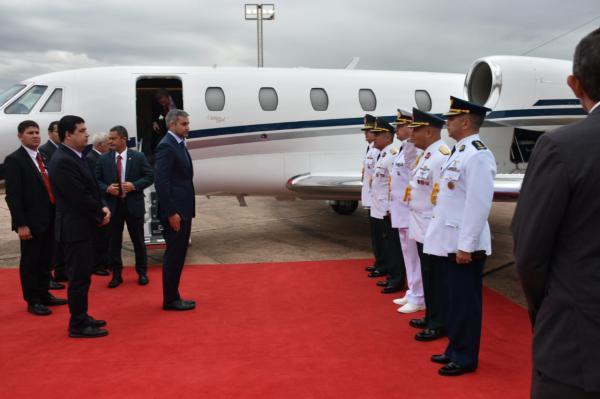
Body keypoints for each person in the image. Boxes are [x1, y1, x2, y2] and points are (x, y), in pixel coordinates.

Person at [512, 27, 600, 397]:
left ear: (574, 84)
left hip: (580, 349)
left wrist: (546, 311)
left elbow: (530, 253)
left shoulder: (563, 148)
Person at [425, 97, 495, 376]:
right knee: (453, 299)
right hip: (448, 242)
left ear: (465, 122)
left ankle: (466, 357)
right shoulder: (459, 151)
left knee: (465, 303)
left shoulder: (477, 154)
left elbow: (478, 205)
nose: (447, 123)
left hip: (465, 246)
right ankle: (454, 348)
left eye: (452, 119)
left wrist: (466, 246)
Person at [48, 115, 111, 338]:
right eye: (82, 130)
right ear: (68, 134)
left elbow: (92, 188)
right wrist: (100, 212)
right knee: (78, 278)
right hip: (75, 229)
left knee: (83, 276)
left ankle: (82, 316)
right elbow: (78, 197)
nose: (87, 134)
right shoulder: (63, 160)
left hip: (83, 226)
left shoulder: (76, 156)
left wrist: (101, 206)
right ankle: (77, 323)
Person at [4, 120, 67, 316]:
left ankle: (44, 293)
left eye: (37, 132)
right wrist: (21, 224)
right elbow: (13, 195)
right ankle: (33, 300)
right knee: (31, 262)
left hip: (49, 218)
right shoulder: (14, 160)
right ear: (20, 136)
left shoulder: (43, 157)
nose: (35, 136)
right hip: (31, 222)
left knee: (46, 259)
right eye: (30, 132)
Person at [405, 108, 450, 341]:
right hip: (421, 227)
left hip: (432, 228)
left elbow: (442, 198)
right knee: (428, 275)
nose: (412, 134)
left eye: (417, 130)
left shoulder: (441, 156)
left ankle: (438, 322)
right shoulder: (426, 155)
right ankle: (431, 315)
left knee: (436, 278)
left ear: (429, 131)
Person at [96, 126, 154, 288]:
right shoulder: (103, 159)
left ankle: (142, 272)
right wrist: (106, 188)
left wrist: (134, 185)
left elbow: (150, 176)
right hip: (113, 207)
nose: (110, 141)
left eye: (113, 138)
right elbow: (95, 180)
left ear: (123, 139)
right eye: (109, 138)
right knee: (114, 242)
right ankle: (116, 274)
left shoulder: (138, 157)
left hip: (133, 205)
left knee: (138, 241)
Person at [154, 109, 196, 311]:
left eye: (187, 123)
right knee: (174, 255)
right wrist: (171, 212)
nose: (187, 127)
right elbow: (162, 182)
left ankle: (174, 295)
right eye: (184, 124)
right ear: (172, 125)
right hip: (176, 212)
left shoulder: (178, 144)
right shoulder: (167, 147)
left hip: (183, 209)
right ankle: (170, 300)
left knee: (179, 255)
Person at [389, 109, 425, 313]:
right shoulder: (402, 149)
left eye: (401, 126)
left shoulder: (415, 150)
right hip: (401, 211)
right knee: (407, 254)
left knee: (414, 256)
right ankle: (413, 291)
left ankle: (419, 296)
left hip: (411, 211)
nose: (397, 129)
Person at [368, 117, 406, 294]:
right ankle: (391, 274)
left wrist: (391, 208)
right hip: (380, 206)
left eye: (378, 135)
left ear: (388, 137)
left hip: (387, 208)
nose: (373, 138)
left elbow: (395, 184)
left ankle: (396, 278)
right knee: (386, 244)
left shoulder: (392, 155)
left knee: (393, 246)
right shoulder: (384, 154)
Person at [39, 120, 67, 289]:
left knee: (61, 238)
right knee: (51, 240)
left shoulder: (63, 150)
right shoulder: (44, 151)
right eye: (58, 131)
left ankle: (61, 270)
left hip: (62, 203)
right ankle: (49, 274)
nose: (61, 134)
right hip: (51, 203)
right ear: (50, 133)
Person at [361, 114, 386, 275]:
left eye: (369, 131)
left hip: (377, 200)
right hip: (371, 198)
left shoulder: (378, 151)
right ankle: (379, 262)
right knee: (376, 235)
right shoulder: (371, 148)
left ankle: (383, 264)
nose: (366, 134)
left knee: (381, 236)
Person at [85, 132, 111, 277]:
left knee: (106, 235)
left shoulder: (99, 157)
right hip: (99, 201)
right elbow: (94, 182)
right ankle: (96, 264)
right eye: (108, 143)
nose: (110, 145)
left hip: (105, 200)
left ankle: (104, 261)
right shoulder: (91, 159)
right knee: (99, 236)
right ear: (100, 145)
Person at [150, 89, 178, 157]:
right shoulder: (158, 105)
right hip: (166, 131)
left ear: (168, 97)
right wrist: (154, 122)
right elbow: (155, 116)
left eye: (164, 101)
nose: (162, 104)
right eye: (160, 102)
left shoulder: (178, 99)